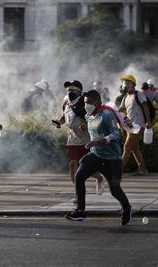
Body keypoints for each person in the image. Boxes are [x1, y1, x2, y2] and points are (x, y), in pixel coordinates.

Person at [66, 90, 131, 225]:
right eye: (85, 103)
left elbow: (116, 135)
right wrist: (84, 127)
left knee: (115, 189)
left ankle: (126, 207)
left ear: (98, 102)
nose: (87, 105)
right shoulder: (89, 116)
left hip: (112, 159)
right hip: (95, 155)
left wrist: (98, 141)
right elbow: (92, 127)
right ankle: (80, 210)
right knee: (79, 176)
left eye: (89, 102)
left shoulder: (107, 115)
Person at [52, 81, 105, 194]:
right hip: (72, 140)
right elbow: (64, 117)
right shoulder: (66, 102)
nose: (70, 92)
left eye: (73, 89)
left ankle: (99, 178)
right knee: (72, 165)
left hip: (86, 140)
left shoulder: (85, 102)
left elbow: (95, 117)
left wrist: (87, 125)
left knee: (86, 168)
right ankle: (78, 193)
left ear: (79, 91)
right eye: (68, 90)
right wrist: (59, 122)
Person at [119, 74, 152, 175]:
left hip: (138, 125)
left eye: (128, 83)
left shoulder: (139, 94)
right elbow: (120, 110)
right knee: (134, 148)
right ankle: (142, 169)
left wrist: (148, 122)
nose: (125, 85)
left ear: (133, 85)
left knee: (127, 147)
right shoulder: (125, 97)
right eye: (124, 83)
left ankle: (117, 170)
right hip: (130, 127)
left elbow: (145, 107)